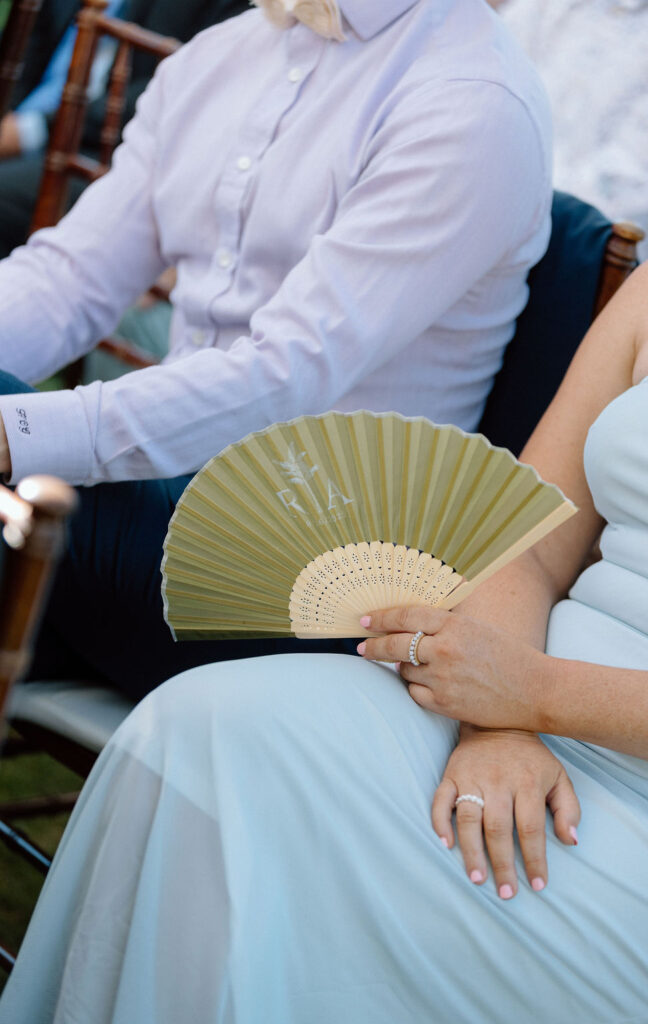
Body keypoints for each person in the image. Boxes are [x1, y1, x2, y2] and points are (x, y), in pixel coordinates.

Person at [1, 245, 648, 1024]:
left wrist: (537, 697)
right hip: (513, 696)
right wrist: (496, 723)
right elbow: (527, 541)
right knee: (199, 730)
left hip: (646, 791)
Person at [0, 0, 553, 699]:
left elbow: (287, 368)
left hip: (315, 578)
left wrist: (17, 430)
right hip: (162, 513)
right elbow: (68, 280)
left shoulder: (473, 104)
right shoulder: (219, 54)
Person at [0, 0, 251, 258]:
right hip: (26, 126)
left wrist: (29, 130)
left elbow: (180, 89)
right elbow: (22, 54)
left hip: (106, 155)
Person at [491, 0, 648, 259]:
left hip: (581, 267)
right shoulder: (543, 7)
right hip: (491, 222)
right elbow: (482, 98)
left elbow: (633, 200)